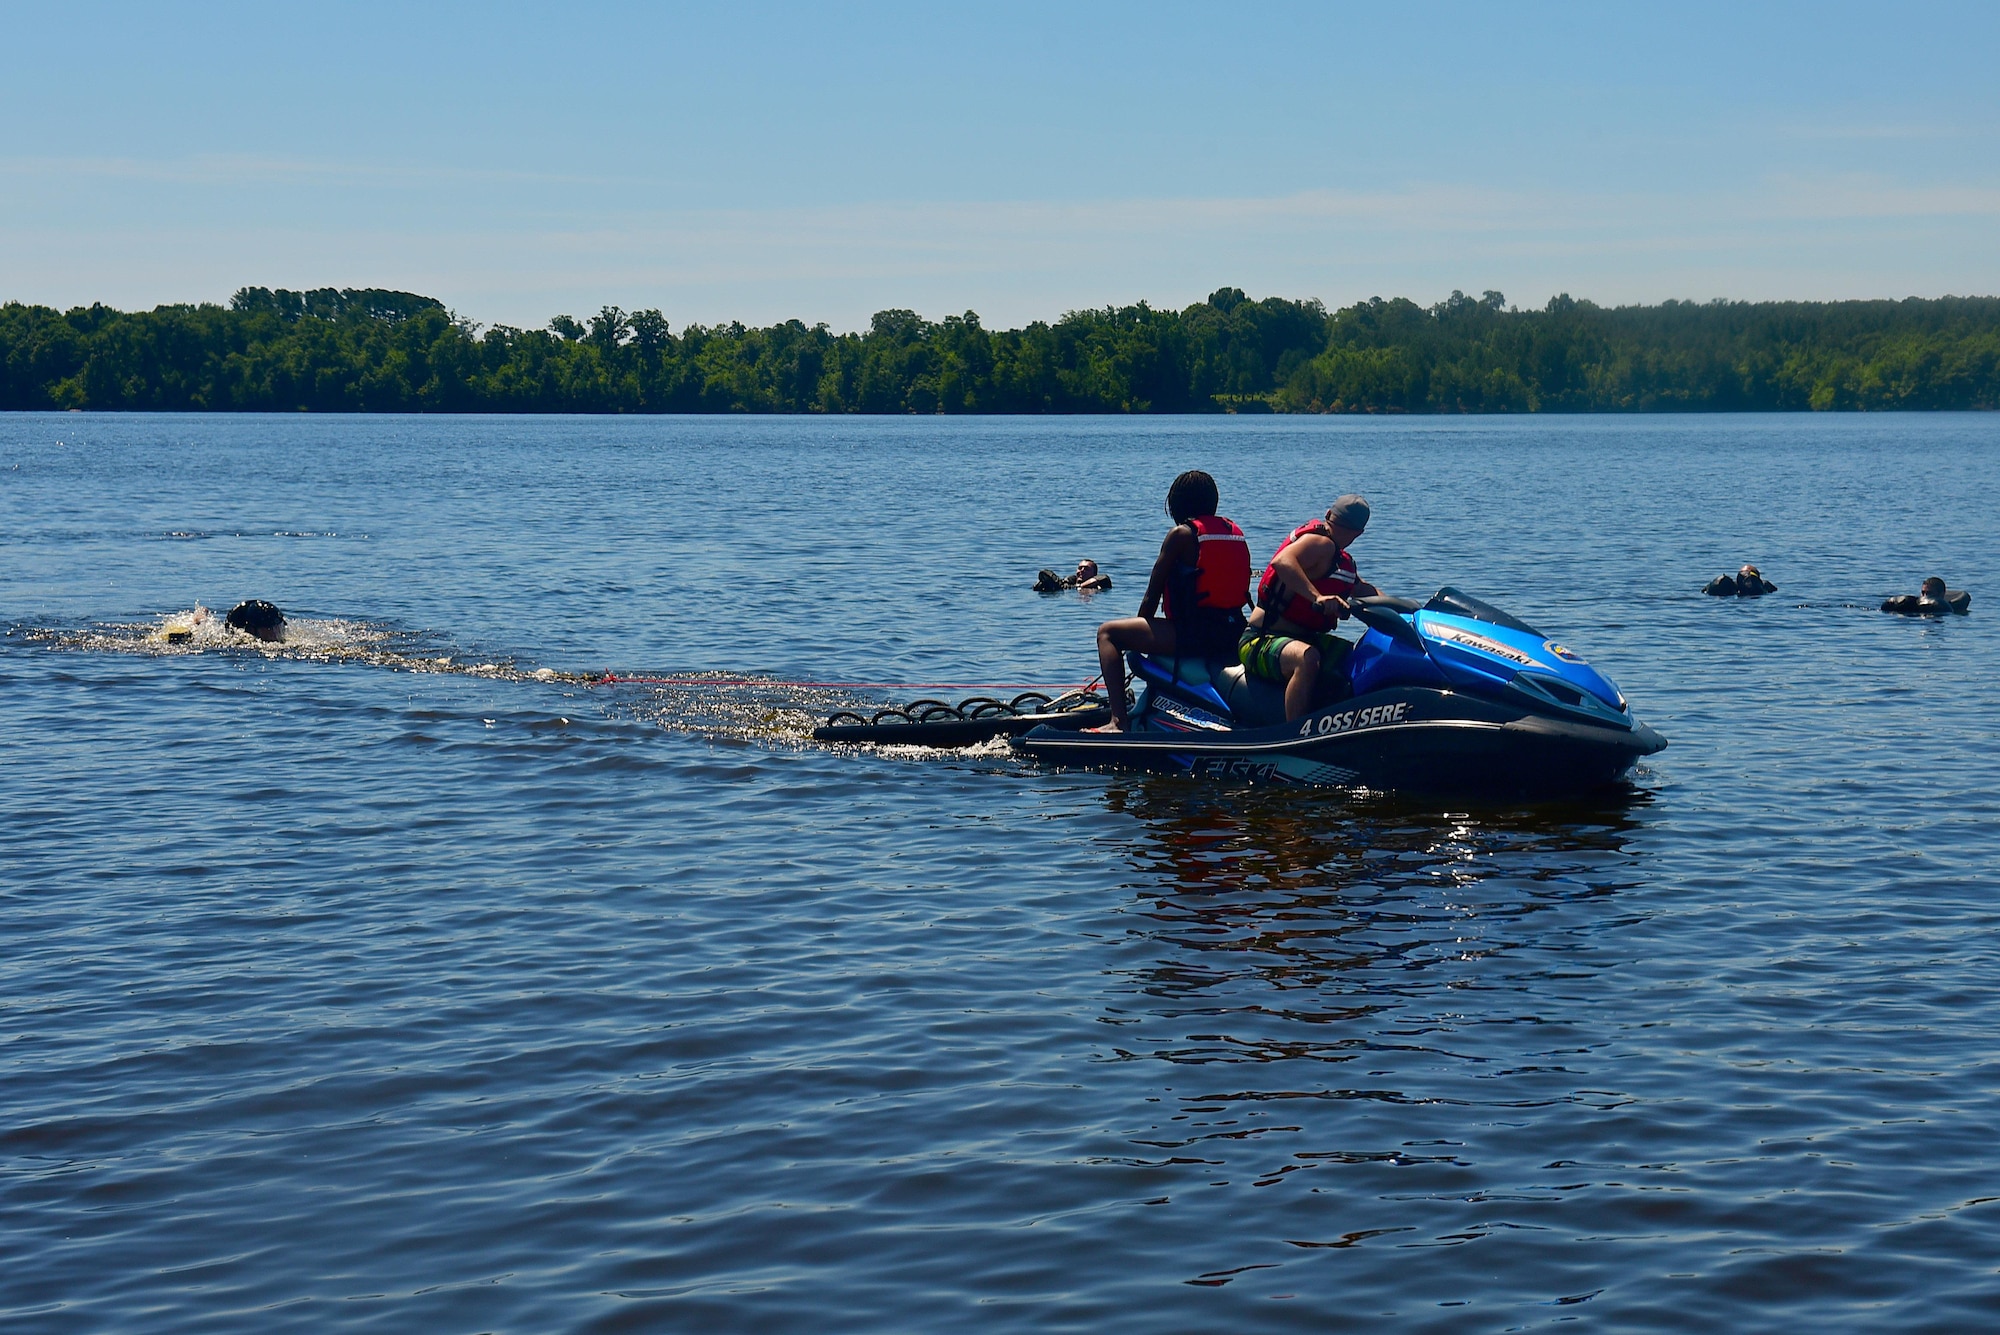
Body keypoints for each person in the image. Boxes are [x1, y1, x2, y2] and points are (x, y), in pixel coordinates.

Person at [1090, 470, 1252, 731]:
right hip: (1233, 632)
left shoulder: (1181, 535)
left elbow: (1152, 594)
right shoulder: (1234, 533)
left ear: (1179, 503)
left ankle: (1118, 721)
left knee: (1108, 634)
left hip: (1195, 634)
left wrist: (1138, 637)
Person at [1239, 494, 1381, 722]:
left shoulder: (1342, 561)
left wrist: (1406, 612)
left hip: (1301, 638)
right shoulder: (1321, 543)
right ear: (1360, 532)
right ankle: (1294, 734)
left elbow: (1363, 590)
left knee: (1360, 656)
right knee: (1307, 660)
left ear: (1328, 514)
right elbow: (1283, 561)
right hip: (1260, 640)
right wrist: (1318, 597)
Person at [1883, 577, 1971, 616]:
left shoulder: (1945, 608)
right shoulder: (1913, 604)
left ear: (1941, 594)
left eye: (1929, 593)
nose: (1924, 596)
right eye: (1923, 593)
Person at [1033, 559, 1113, 594]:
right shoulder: (1070, 580)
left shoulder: (1101, 581)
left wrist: (1079, 586)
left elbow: (1104, 578)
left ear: (1094, 573)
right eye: (1079, 568)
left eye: (1086, 569)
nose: (1082, 570)